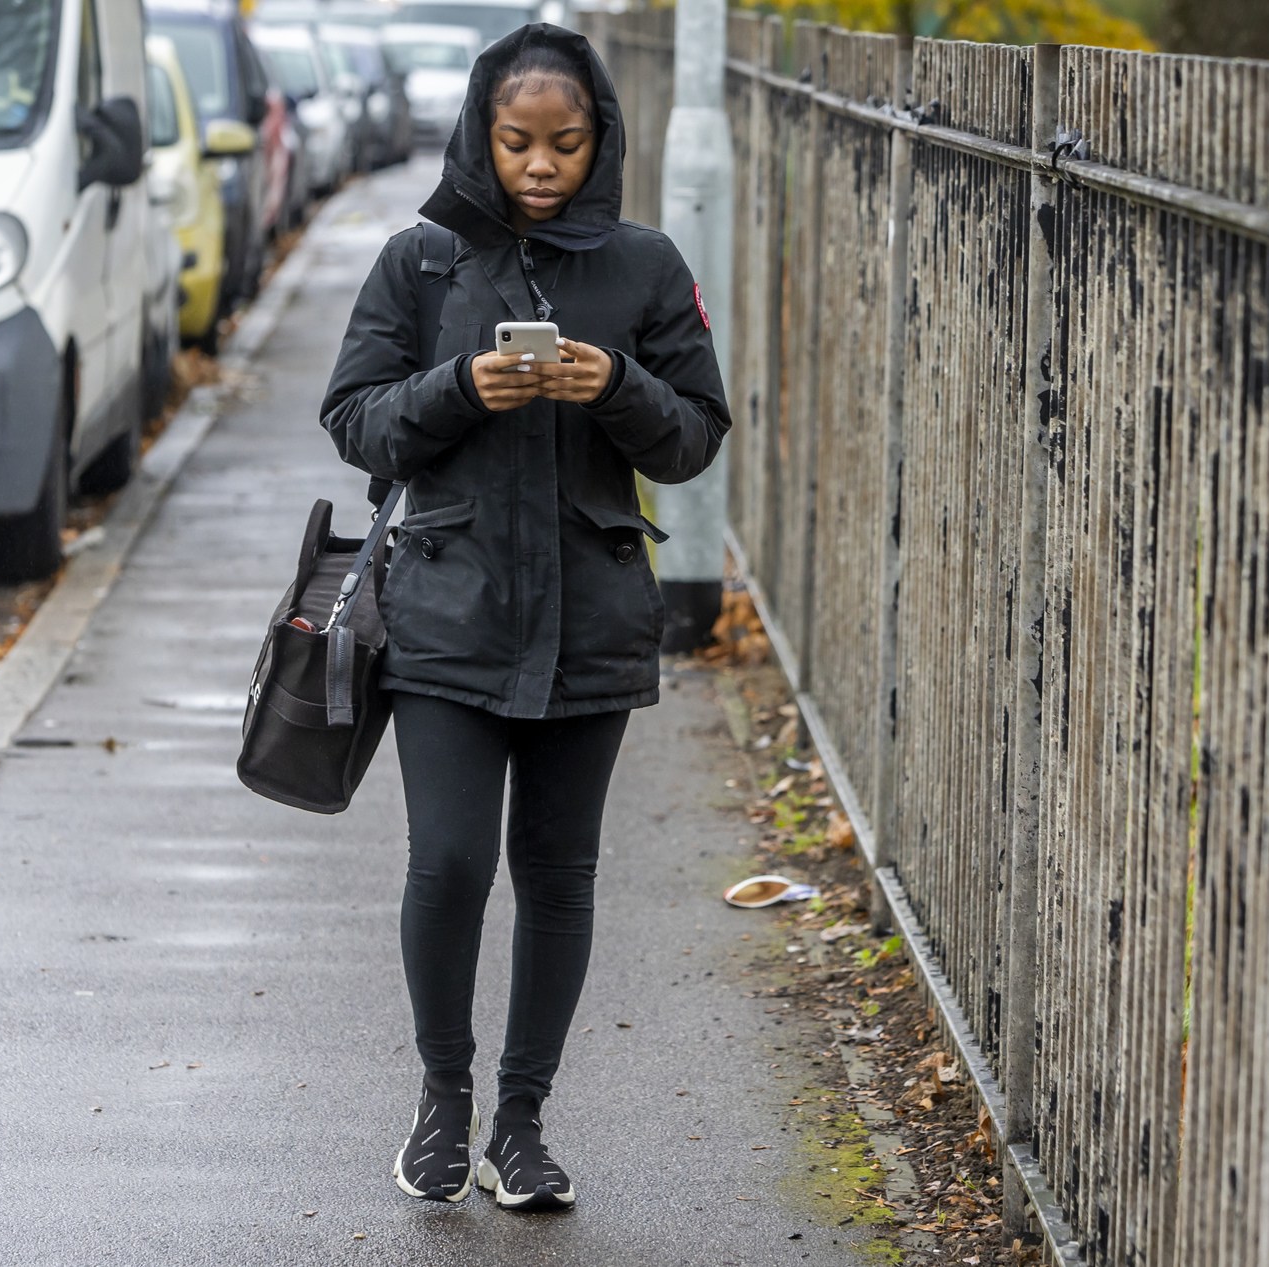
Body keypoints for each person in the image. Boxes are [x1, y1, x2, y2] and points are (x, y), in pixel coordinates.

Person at [319, 23, 731, 1212]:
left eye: (564, 143)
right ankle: (441, 1103)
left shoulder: (646, 267)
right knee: (448, 863)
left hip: (593, 617)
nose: (540, 166)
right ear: (480, 138)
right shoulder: (423, 260)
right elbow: (353, 416)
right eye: (516, 143)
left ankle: (521, 1122)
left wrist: (616, 384)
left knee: (557, 874)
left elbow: (695, 437)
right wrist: (460, 388)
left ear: (599, 138)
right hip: (444, 612)